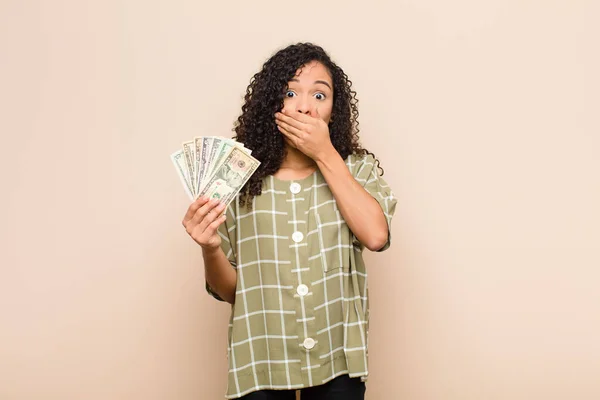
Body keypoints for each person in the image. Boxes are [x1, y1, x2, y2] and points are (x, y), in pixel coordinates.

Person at [182, 43, 397, 400]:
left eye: (319, 95)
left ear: (333, 110)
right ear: (272, 105)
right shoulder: (237, 180)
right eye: (291, 92)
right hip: (260, 358)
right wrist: (210, 248)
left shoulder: (355, 169)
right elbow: (231, 291)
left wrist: (325, 153)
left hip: (338, 359)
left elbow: (376, 236)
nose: (305, 106)